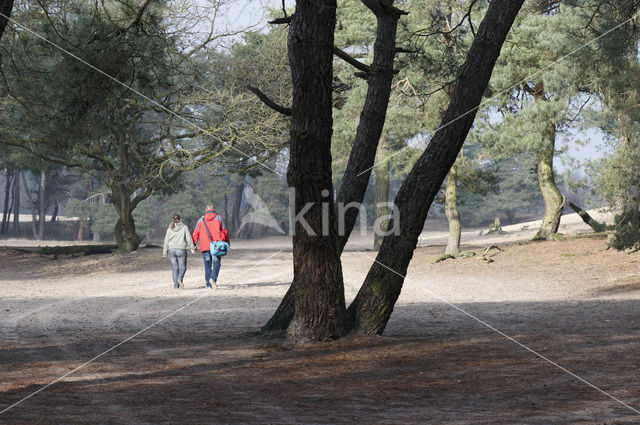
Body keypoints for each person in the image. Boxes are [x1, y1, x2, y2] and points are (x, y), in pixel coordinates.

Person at [192, 203, 230, 289]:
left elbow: (195, 233)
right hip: (216, 245)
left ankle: (208, 284)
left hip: (205, 245)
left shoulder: (200, 220)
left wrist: (194, 244)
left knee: (207, 264)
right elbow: (225, 231)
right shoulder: (219, 218)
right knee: (216, 263)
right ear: (214, 209)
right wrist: (227, 241)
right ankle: (213, 279)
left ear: (206, 210)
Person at [162, 214, 195, 289]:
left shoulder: (170, 228)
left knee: (175, 268)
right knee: (182, 268)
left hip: (171, 250)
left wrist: (164, 252)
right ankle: (179, 279)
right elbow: (188, 238)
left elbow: (166, 240)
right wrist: (192, 247)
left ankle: (176, 286)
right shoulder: (184, 227)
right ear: (180, 219)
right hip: (181, 249)